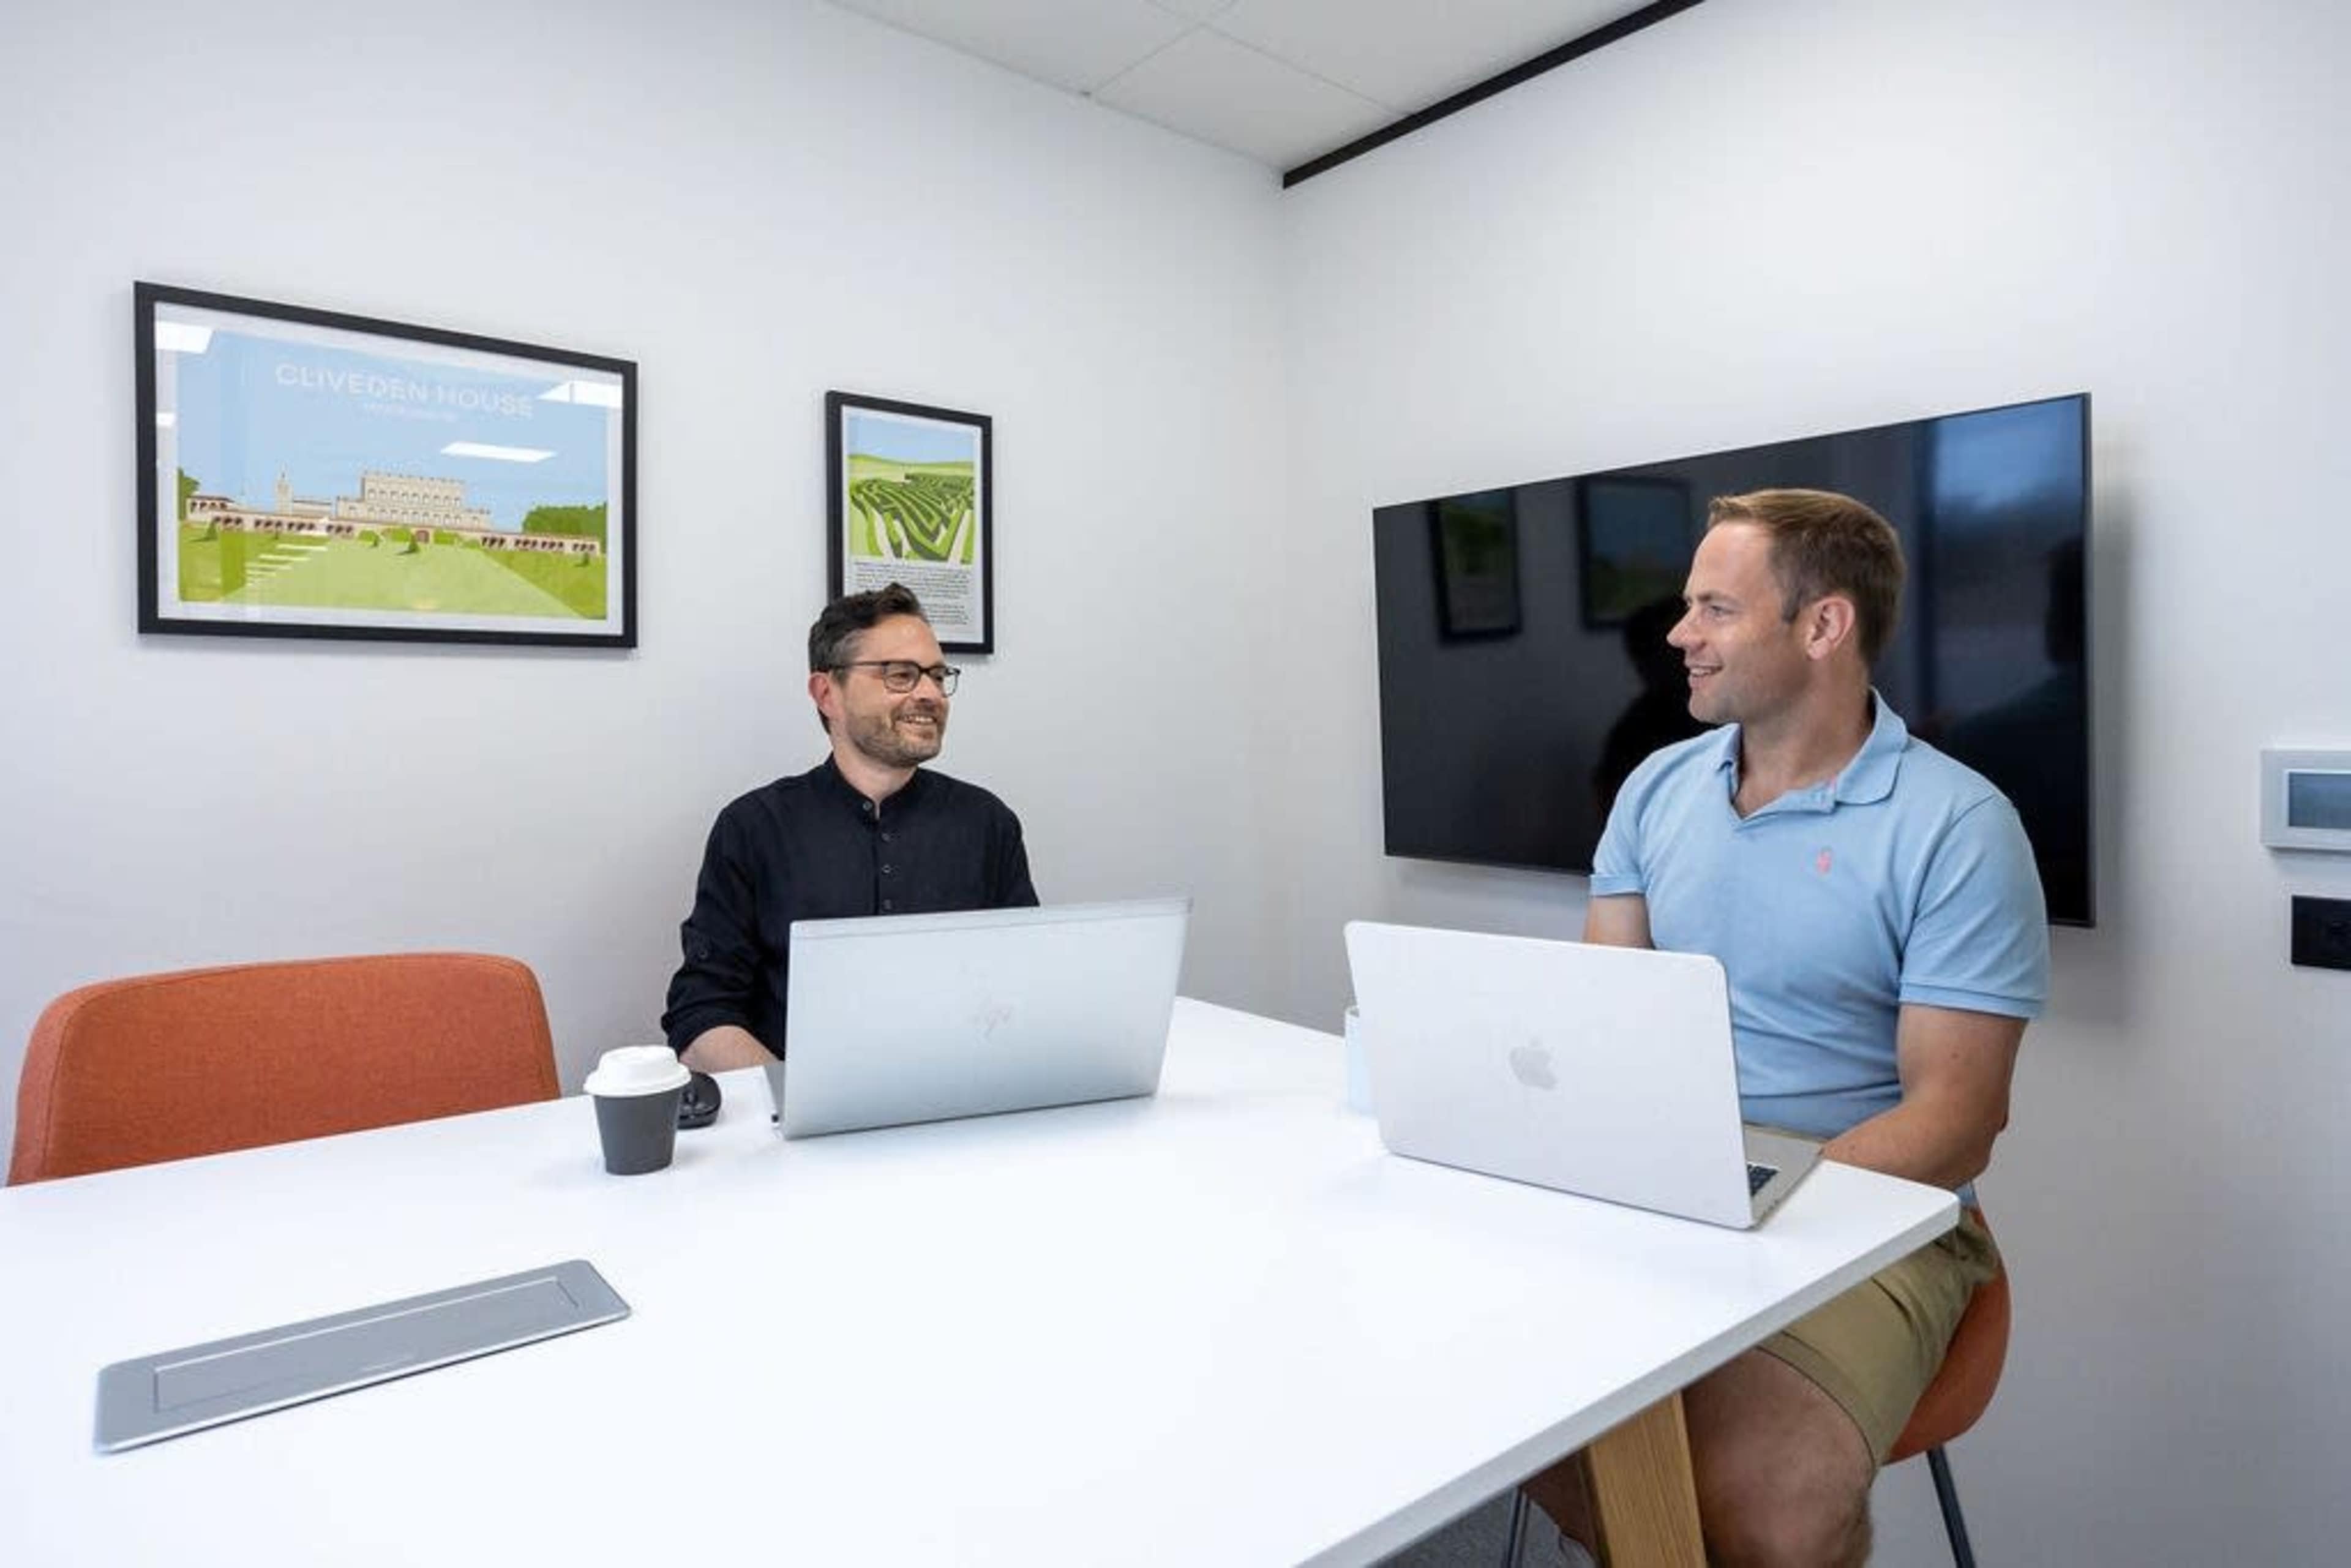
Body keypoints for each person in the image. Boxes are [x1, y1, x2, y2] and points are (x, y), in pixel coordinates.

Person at [1532, 489, 2049, 1567]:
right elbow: (1605, 1027)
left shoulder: (1959, 826)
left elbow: (1957, 1122)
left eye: (1716, 608)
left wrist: (1751, 1195)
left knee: (1755, 1511)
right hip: (1670, 1190)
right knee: (1489, 1416)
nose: (1680, 634)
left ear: (1823, 626)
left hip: (1876, 1212)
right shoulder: (1655, 790)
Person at [661, 583, 1037, 1071]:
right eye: (901, 675)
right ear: (827, 693)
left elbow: (1027, 987)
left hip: (963, 1095)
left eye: (938, 675)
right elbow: (700, 1015)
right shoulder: (754, 828)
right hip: (792, 1107)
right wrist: (797, 1096)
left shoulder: (987, 823)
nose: (930, 694)